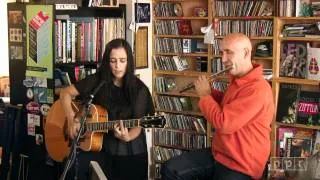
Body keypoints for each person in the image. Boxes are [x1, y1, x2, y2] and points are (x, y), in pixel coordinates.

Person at [161, 33, 275, 180]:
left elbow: (224, 123)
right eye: (222, 53)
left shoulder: (257, 89)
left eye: (229, 52)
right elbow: (229, 106)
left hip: (242, 164)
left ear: (246, 52)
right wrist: (210, 92)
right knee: (170, 169)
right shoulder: (238, 80)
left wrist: (204, 96)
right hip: (221, 154)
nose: (223, 59)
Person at [59, 39, 155, 180]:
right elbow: (65, 93)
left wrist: (127, 136)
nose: (117, 66)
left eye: (122, 60)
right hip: (102, 151)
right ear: (107, 62)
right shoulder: (98, 81)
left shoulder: (139, 89)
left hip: (131, 155)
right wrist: (72, 118)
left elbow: (139, 124)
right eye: (113, 61)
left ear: (129, 62)